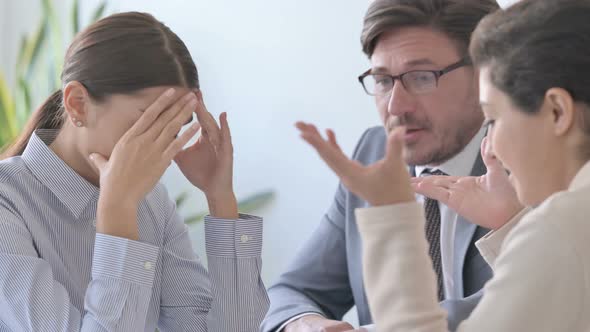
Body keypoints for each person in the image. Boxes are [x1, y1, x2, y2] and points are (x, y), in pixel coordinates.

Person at [299, 0, 590, 331]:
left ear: (557, 112)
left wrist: (390, 214)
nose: (491, 145)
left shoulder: (559, 226)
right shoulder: (371, 151)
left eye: (493, 117)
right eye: (381, 80)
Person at [0, 12, 268, 331]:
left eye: (176, 125)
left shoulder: (151, 201)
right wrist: (118, 213)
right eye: (149, 120)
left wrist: (220, 197)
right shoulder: (9, 203)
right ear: (77, 104)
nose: (162, 145)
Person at [262, 1, 502, 331]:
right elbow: (291, 291)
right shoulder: (373, 153)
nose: (396, 106)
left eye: (421, 77)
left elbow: (506, 308)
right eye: (383, 80)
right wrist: (307, 325)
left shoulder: (531, 160)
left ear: (485, 75)